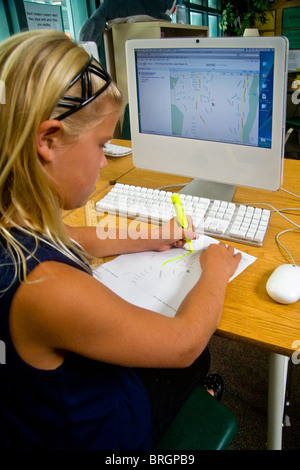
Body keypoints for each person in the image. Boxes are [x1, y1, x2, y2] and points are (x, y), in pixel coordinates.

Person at [0, 30, 241, 450]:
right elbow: (183, 343)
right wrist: (215, 272)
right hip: (100, 434)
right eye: (101, 144)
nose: (102, 161)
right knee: (197, 358)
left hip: (28, 412)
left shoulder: (13, 228)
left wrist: (147, 236)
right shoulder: (45, 288)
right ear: (48, 140)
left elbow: (74, 236)